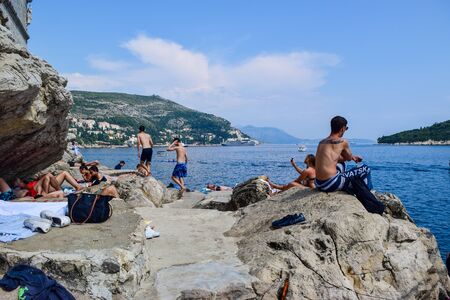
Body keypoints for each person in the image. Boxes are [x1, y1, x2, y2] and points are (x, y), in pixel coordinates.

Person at [314, 116, 372, 192]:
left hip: (318, 183)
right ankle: (367, 192)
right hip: (330, 184)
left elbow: (332, 158)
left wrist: (351, 157)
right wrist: (352, 157)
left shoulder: (321, 142)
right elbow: (348, 158)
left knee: (341, 164)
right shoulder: (343, 141)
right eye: (346, 128)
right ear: (342, 128)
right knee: (365, 169)